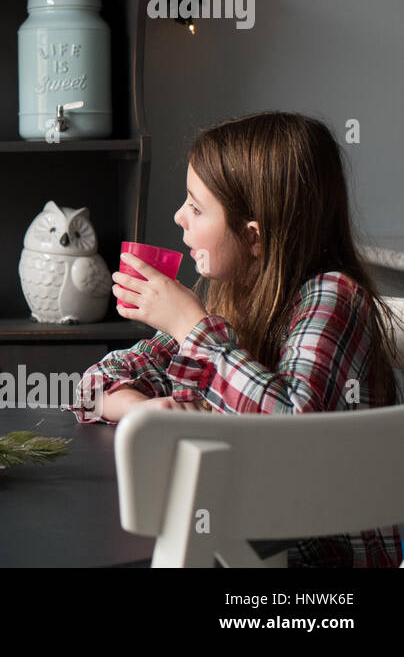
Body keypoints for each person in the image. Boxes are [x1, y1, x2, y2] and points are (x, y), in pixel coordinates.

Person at [69, 112, 403, 567]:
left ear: (254, 237)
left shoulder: (333, 298)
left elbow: (294, 426)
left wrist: (190, 326)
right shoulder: (233, 299)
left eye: (196, 206)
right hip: (247, 541)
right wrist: (137, 410)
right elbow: (90, 386)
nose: (178, 216)